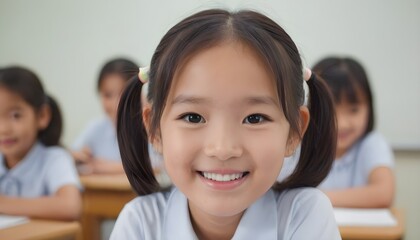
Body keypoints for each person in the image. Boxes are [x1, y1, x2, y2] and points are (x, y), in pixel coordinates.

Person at [111, 9, 341, 239]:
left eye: (254, 118)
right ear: (155, 130)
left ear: (294, 132)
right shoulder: (140, 223)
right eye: (193, 117)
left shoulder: (304, 214)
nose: (222, 149)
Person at [0, 66, 81, 220]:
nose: (3, 129)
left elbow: (70, 206)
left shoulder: (54, 159)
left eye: (15, 115)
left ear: (42, 116)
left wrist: (4, 204)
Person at [313, 57, 395, 208]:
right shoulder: (300, 146)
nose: (342, 124)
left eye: (354, 110)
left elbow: (383, 194)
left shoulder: (372, 144)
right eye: (331, 110)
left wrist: (314, 198)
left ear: (369, 108)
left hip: (360, 232)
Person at [71, 58, 138, 174]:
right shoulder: (96, 127)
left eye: (124, 93)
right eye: (108, 95)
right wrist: (79, 157)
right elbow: (72, 154)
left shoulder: (149, 126)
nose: (116, 103)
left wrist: (109, 167)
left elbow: (158, 166)